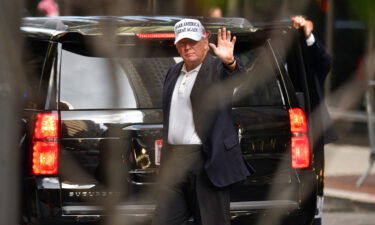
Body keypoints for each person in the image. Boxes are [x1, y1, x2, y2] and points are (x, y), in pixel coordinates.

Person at [152, 18, 254, 225]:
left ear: (205, 42)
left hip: (205, 160)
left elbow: (238, 78)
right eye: (182, 43)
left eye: (193, 41)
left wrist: (230, 62)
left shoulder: (217, 69)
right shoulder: (172, 72)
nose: (187, 47)